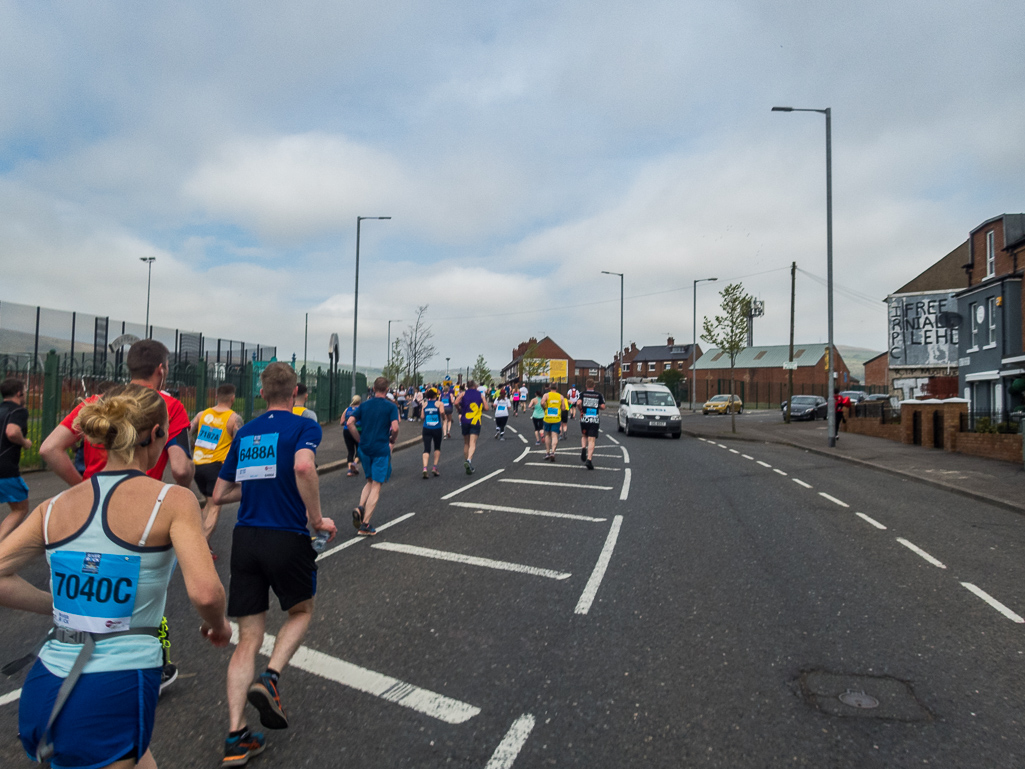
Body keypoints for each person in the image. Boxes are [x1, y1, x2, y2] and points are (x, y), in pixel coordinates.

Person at [1, 384, 230, 769]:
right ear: (157, 434)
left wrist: (60, 607)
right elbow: (206, 593)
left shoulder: (53, 506)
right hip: (112, 690)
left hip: (44, 688)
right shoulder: (171, 500)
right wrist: (218, 626)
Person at [39, 339, 194, 692]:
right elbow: (182, 470)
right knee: (147, 600)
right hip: (138, 513)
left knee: (86, 587)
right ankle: (152, 663)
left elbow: (50, 448)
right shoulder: (166, 405)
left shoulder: (100, 402)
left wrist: (82, 487)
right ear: (162, 369)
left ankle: (68, 664)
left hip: (85, 511)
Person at [212, 362, 337, 765]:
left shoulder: (246, 431)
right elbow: (303, 466)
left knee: (247, 638)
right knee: (301, 611)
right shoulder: (304, 426)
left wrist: (256, 485)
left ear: (262, 393)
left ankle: (235, 735)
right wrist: (316, 519)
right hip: (286, 536)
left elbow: (218, 493)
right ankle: (271, 677)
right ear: (296, 391)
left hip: (245, 539)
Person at [190, 383, 244, 554]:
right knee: (215, 506)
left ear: (216, 396)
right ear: (233, 398)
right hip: (217, 467)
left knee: (209, 503)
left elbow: (187, 431)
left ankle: (200, 539)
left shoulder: (201, 415)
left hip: (197, 465)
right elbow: (239, 445)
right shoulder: (234, 418)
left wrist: (192, 446)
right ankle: (200, 549)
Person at [346, 377, 400, 536]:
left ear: (374, 388)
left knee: (369, 481)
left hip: (364, 448)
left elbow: (349, 422)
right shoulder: (391, 407)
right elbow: (395, 427)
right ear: (387, 389)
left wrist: (358, 439)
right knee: (377, 484)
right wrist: (393, 438)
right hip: (380, 448)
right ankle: (365, 525)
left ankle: (360, 507)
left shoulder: (364, 405)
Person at [0, 378, 32, 541]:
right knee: (20, 508)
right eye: (24, 391)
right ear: (19, 393)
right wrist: (24, 442)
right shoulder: (18, 411)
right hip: (5, 469)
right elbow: (12, 432)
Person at [454, 379, 488, 474]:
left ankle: (467, 463)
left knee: (466, 443)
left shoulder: (463, 394)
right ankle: (469, 460)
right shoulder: (479, 395)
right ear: (475, 386)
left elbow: (456, 402)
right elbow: (486, 407)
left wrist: (459, 409)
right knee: (472, 443)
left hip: (465, 420)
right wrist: (482, 402)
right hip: (475, 421)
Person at [577, 379, 606, 470]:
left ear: (586, 386)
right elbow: (603, 407)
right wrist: (596, 405)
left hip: (584, 418)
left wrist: (580, 409)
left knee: (584, 435)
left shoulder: (582, 394)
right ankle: (589, 459)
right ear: (594, 386)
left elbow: (578, 403)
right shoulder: (598, 395)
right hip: (594, 419)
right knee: (592, 439)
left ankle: (583, 448)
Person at [421, 388, 443, 478]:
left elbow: (422, 417)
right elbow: (442, 412)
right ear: (435, 395)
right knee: (437, 447)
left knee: (426, 448)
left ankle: (425, 468)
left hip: (426, 428)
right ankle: (434, 467)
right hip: (437, 428)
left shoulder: (424, 405)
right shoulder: (439, 404)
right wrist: (443, 417)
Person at [540, 383, 565, 461]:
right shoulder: (561, 396)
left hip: (547, 418)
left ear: (550, 388)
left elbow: (542, 403)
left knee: (547, 435)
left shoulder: (546, 395)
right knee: (555, 436)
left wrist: (545, 408)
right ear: (557, 388)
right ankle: (553, 452)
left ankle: (547, 452)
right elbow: (563, 408)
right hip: (556, 418)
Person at [341, 395, 362, 477]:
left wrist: (346, 423)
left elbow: (341, 422)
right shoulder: (360, 409)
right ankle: (355, 463)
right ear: (360, 401)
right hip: (358, 430)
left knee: (350, 451)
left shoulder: (347, 409)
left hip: (346, 431)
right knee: (359, 449)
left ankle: (350, 470)